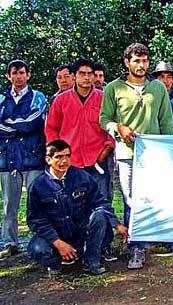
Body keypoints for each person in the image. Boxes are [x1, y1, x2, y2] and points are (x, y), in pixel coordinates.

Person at [100, 42, 173, 269]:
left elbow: (166, 122)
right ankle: (135, 248)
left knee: (157, 197)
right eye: (136, 61)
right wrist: (118, 128)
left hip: (154, 155)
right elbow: (103, 119)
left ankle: (162, 239)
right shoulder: (113, 88)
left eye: (144, 61)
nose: (141, 65)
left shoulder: (158, 88)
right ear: (127, 62)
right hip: (126, 153)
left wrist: (169, 150)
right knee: (132, 200)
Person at [45, 58, 116, 260]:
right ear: (74, 76)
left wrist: (107, 148)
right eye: (82, 74)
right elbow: (51, 129)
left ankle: (104, 245)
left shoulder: (103, 98)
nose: (86, 78)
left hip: (97, 161)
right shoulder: (61, 100)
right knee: (71, 205)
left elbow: (112, 125)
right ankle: (75, 246)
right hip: (71, 162)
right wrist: (57, 155)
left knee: (102, 203)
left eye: (90, 74)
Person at [27, 140, 128, 275]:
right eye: (58, 157)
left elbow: (100, 202)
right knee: (38, 249)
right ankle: (60, 262)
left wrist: (116, 224)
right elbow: (36, 220)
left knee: (100, 216)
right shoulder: (38, 186)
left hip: (81, 231)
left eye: (67, 156)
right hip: (57, 235)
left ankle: (91, 261)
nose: (64, 161)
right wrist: (58, 243)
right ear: (48, 159)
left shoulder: (81, 177)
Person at [0, 60, 47, 258]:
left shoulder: (38, 96)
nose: (18, 76)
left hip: (33, 156)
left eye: (22, 73)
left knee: (36, 201)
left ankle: (40, 240)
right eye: (14, 73)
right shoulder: (1, 98)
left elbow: (34, 121)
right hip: (7, 157)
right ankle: (10, 242)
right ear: (8, 76)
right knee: (9, 204)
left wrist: (9, 124)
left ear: (28, 75)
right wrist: (18, 126)